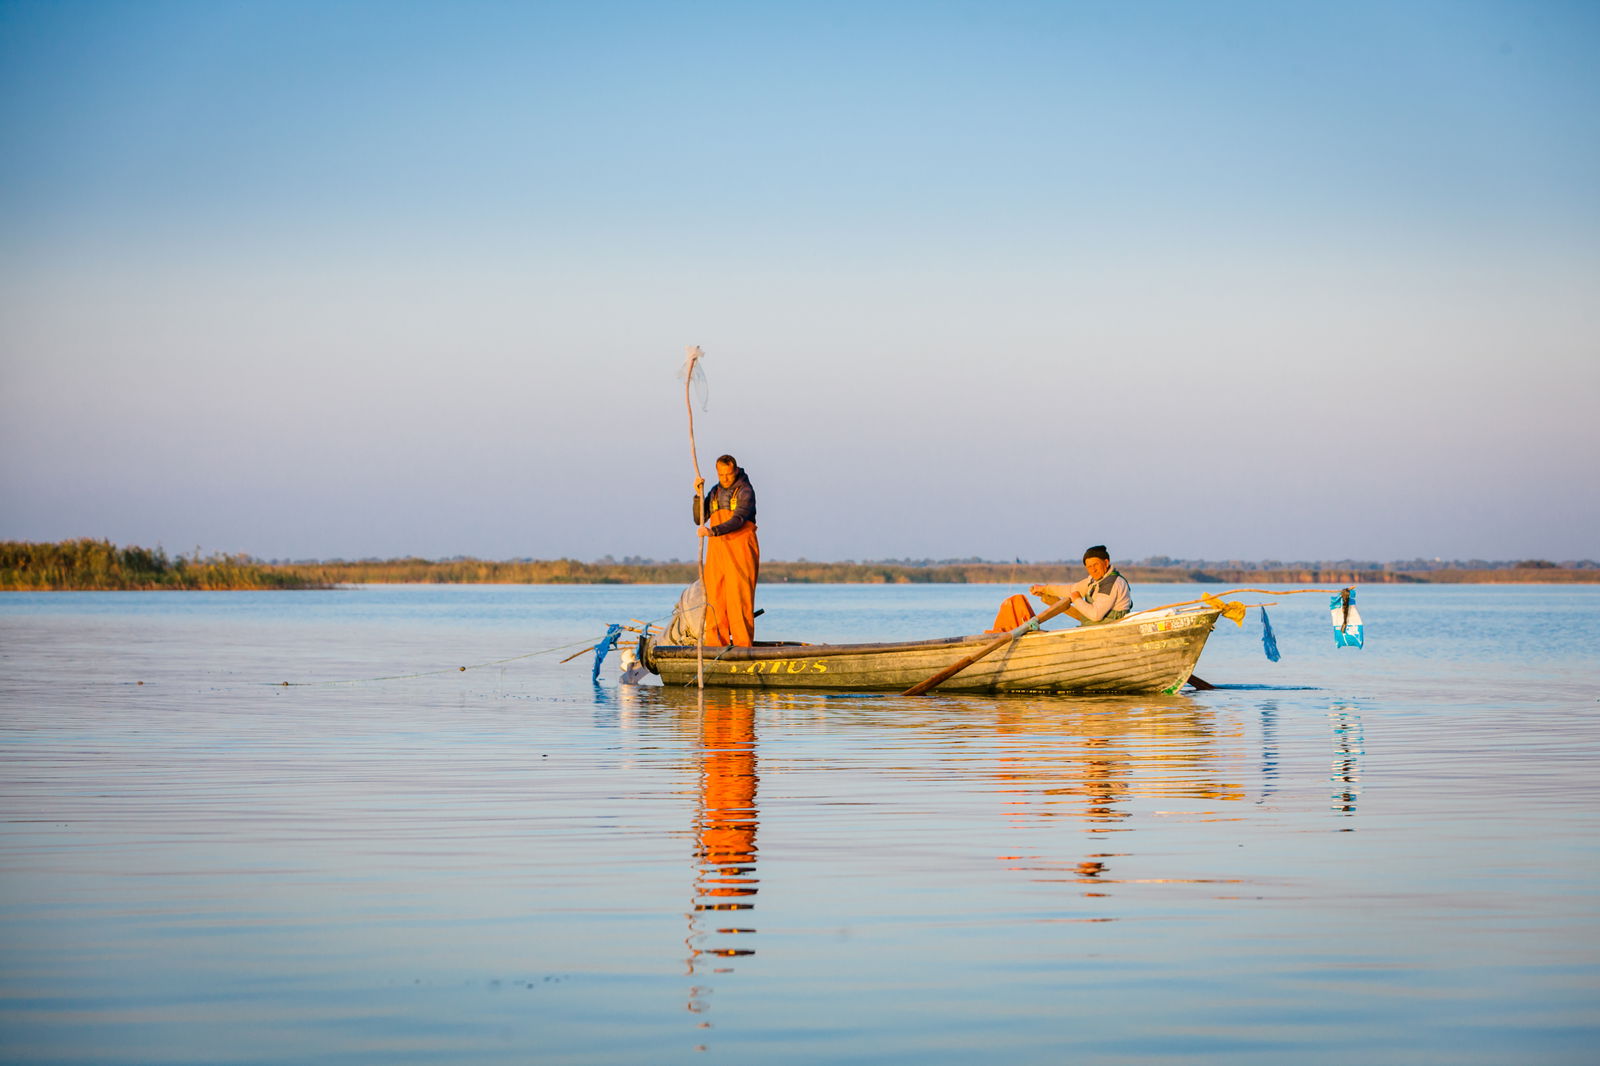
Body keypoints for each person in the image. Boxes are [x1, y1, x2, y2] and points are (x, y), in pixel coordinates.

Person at [694, 455, 760, 647]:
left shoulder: (745, 490)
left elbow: (739, 519)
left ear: (735, 470)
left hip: (740, 549)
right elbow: (699, 518)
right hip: (717, 551)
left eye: (728, 474)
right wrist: (698, 495)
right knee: (715, 598)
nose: (724, 478)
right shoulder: (714, 492)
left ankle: (742, 646)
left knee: (738, 599)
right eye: (721, 474)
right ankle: (715, 644)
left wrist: (713, 531)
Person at [988, 544, 1132, 631]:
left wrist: (1076, 599)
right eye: (1089, 567)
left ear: (1106, 562)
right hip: (1097, 628)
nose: (1092, 569)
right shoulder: (1094, 581)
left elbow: (1095, 615)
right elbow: (1071, 589)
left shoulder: (1112, 583)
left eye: (1095, 565)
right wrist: (1045, 589)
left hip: (1108, 629)